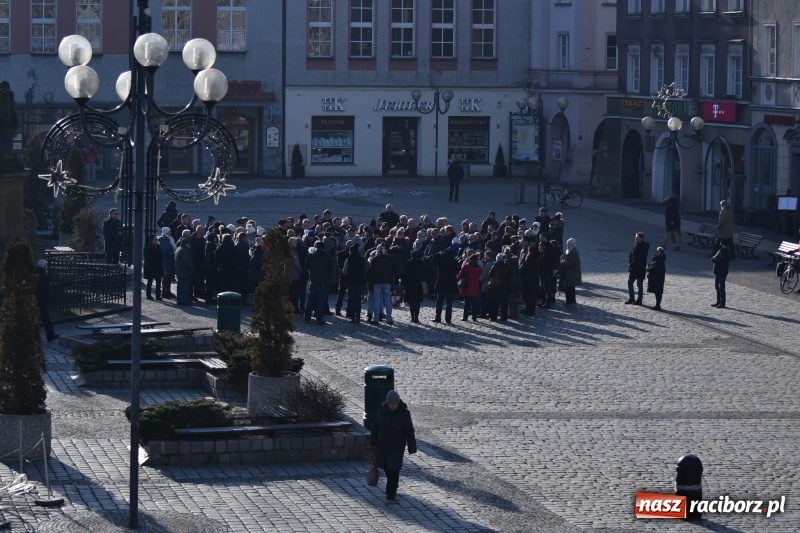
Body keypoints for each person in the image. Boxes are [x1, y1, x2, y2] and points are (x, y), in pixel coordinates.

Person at [369, 390, 417, 502]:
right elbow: (375, 426)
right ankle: (392, 485)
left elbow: (410, 431)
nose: (391, 406)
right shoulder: (382, 410)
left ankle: (391, 492)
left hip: (396, 447)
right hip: (382, 445)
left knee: (394, 469)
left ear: (398, 403)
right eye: (389, 404)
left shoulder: (404, 413)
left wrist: (412, 446)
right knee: (386, 467)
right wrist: (372, 443)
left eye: (394, 404)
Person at [35, 259, 58, 342]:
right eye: (46, 265)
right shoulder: (43, 274)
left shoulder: (36, 272)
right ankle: (51, 335)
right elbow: (45, 289)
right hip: (42, 299)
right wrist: (46, 299)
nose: (47, 267)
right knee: (46, 318)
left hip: (36, 298)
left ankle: (49, 335)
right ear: (43, 266)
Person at [625, 232, 649, 305]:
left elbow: (640, 257)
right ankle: (631, 298)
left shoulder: (644, 246)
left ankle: (639, 299)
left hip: (640, 268)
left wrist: (631, 263)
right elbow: (631, 254)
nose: (635, 238)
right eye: (635, 237)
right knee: (630, 282)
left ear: (641, 238)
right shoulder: (635, 244)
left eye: (637, 237)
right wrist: (629, 262)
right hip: (633, 268)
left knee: (639, 284)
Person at [458, 252, 482, 321]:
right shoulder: (479, 268)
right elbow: (480, 274)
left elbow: (460, 275)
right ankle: (474, 317)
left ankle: (465, 317)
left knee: (466, 303)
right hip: (475, 286)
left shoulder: (466, 266)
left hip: (467, 286)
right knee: (474, 303)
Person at [560, 238, 581, 306]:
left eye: (568, 244)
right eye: (567, 244)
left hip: (572, 274)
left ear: (572, 245)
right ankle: (568, 301)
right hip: (567, 273)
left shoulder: (575, 252)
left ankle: (572, 302)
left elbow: (575, 263)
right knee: (567, 288)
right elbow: (564, 257)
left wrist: (565, 263)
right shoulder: (567, 251)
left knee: (571, 288)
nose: (567, 246)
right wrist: (562, 261)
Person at [143, 235, 164, 301]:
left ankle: (158, 295)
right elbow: (147, 257)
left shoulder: (158, 247)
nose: (156, 241)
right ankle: (148, 295)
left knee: (158, 281)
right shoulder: (147, 247)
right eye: (155, 239)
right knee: (150, 282)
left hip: (158, 266)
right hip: (150, 267)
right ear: (151, 240)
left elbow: (161, 256)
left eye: (157, 239)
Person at [711, 241, 731, 308]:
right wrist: (713, 258)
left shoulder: (727, 252)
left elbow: (723, 257)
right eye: (721, 245)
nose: (721, 246)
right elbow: (714, 260)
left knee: (721, 288)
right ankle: (718, 301)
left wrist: (720, 251)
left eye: (722, 245)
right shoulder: (719, 251)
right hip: (717, 271)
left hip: (723, 272)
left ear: (726, 246)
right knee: (717, 287)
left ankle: (722, 303)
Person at [645, 246, 666, 311]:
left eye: (657, 252)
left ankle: (658, 305)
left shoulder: (661, 260)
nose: (656, 252)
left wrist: (648, 269)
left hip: (658, 278)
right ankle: (657, 305)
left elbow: (655, 268)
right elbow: (650, 264)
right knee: (656, 292)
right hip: (654, 278)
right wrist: (648, 267)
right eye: (656, 251)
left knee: (658, 292)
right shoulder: (655, 258)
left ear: (661, 253)